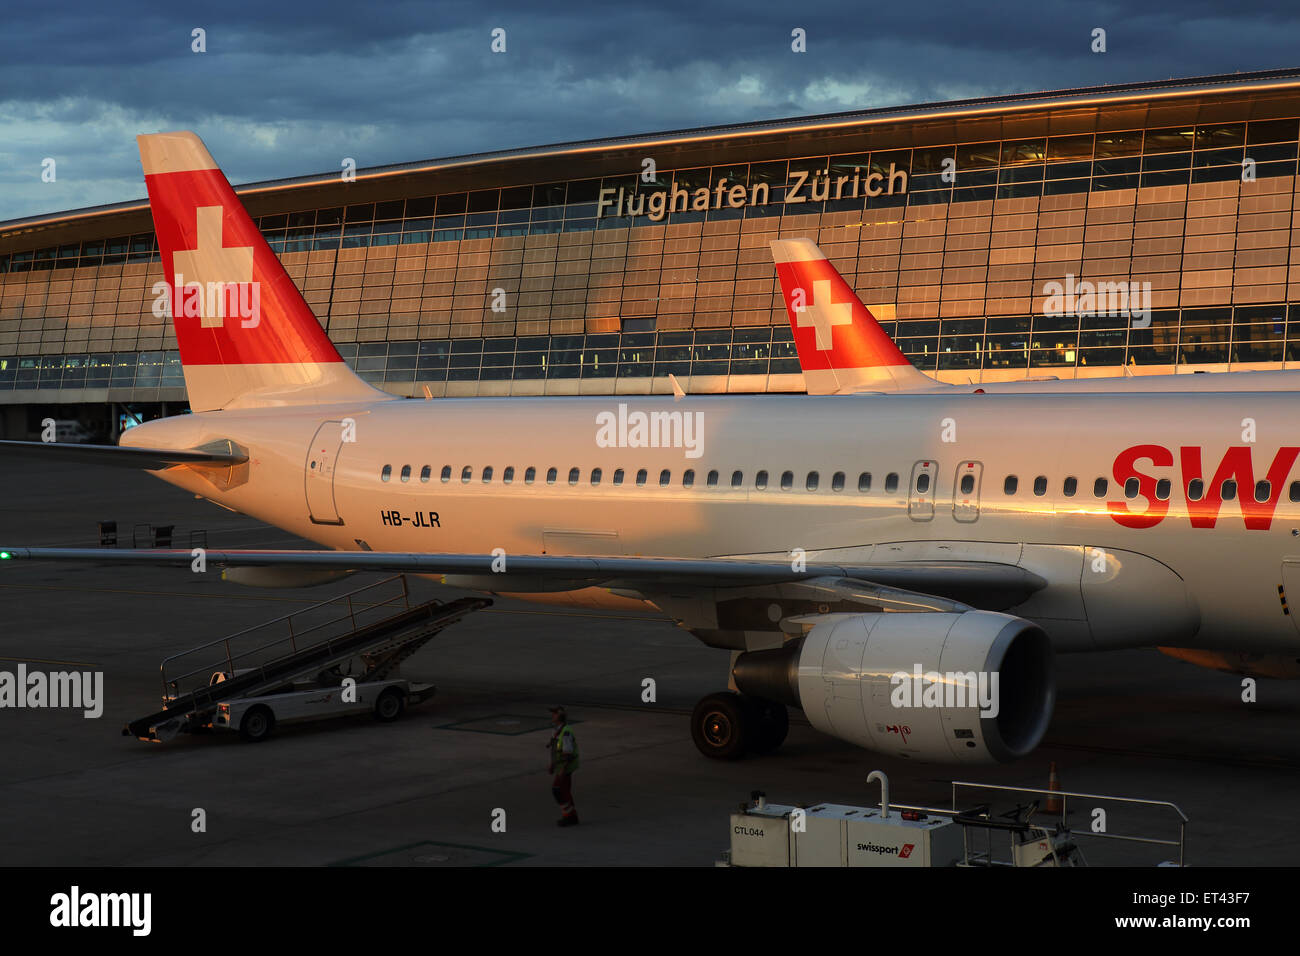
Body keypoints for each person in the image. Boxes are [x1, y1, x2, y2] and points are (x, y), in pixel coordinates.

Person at [547, 706, 579, 826]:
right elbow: (555, 750)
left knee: (558, 790)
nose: (552, 716)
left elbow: (567, 753)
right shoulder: (557, 730)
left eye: (554, 714)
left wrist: (562, 770)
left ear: (560, 716)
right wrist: (552, 764)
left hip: (565, 766)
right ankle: (572, 815)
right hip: (560, 766)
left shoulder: (565, 733)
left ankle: (569, 816)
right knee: (565, 790)